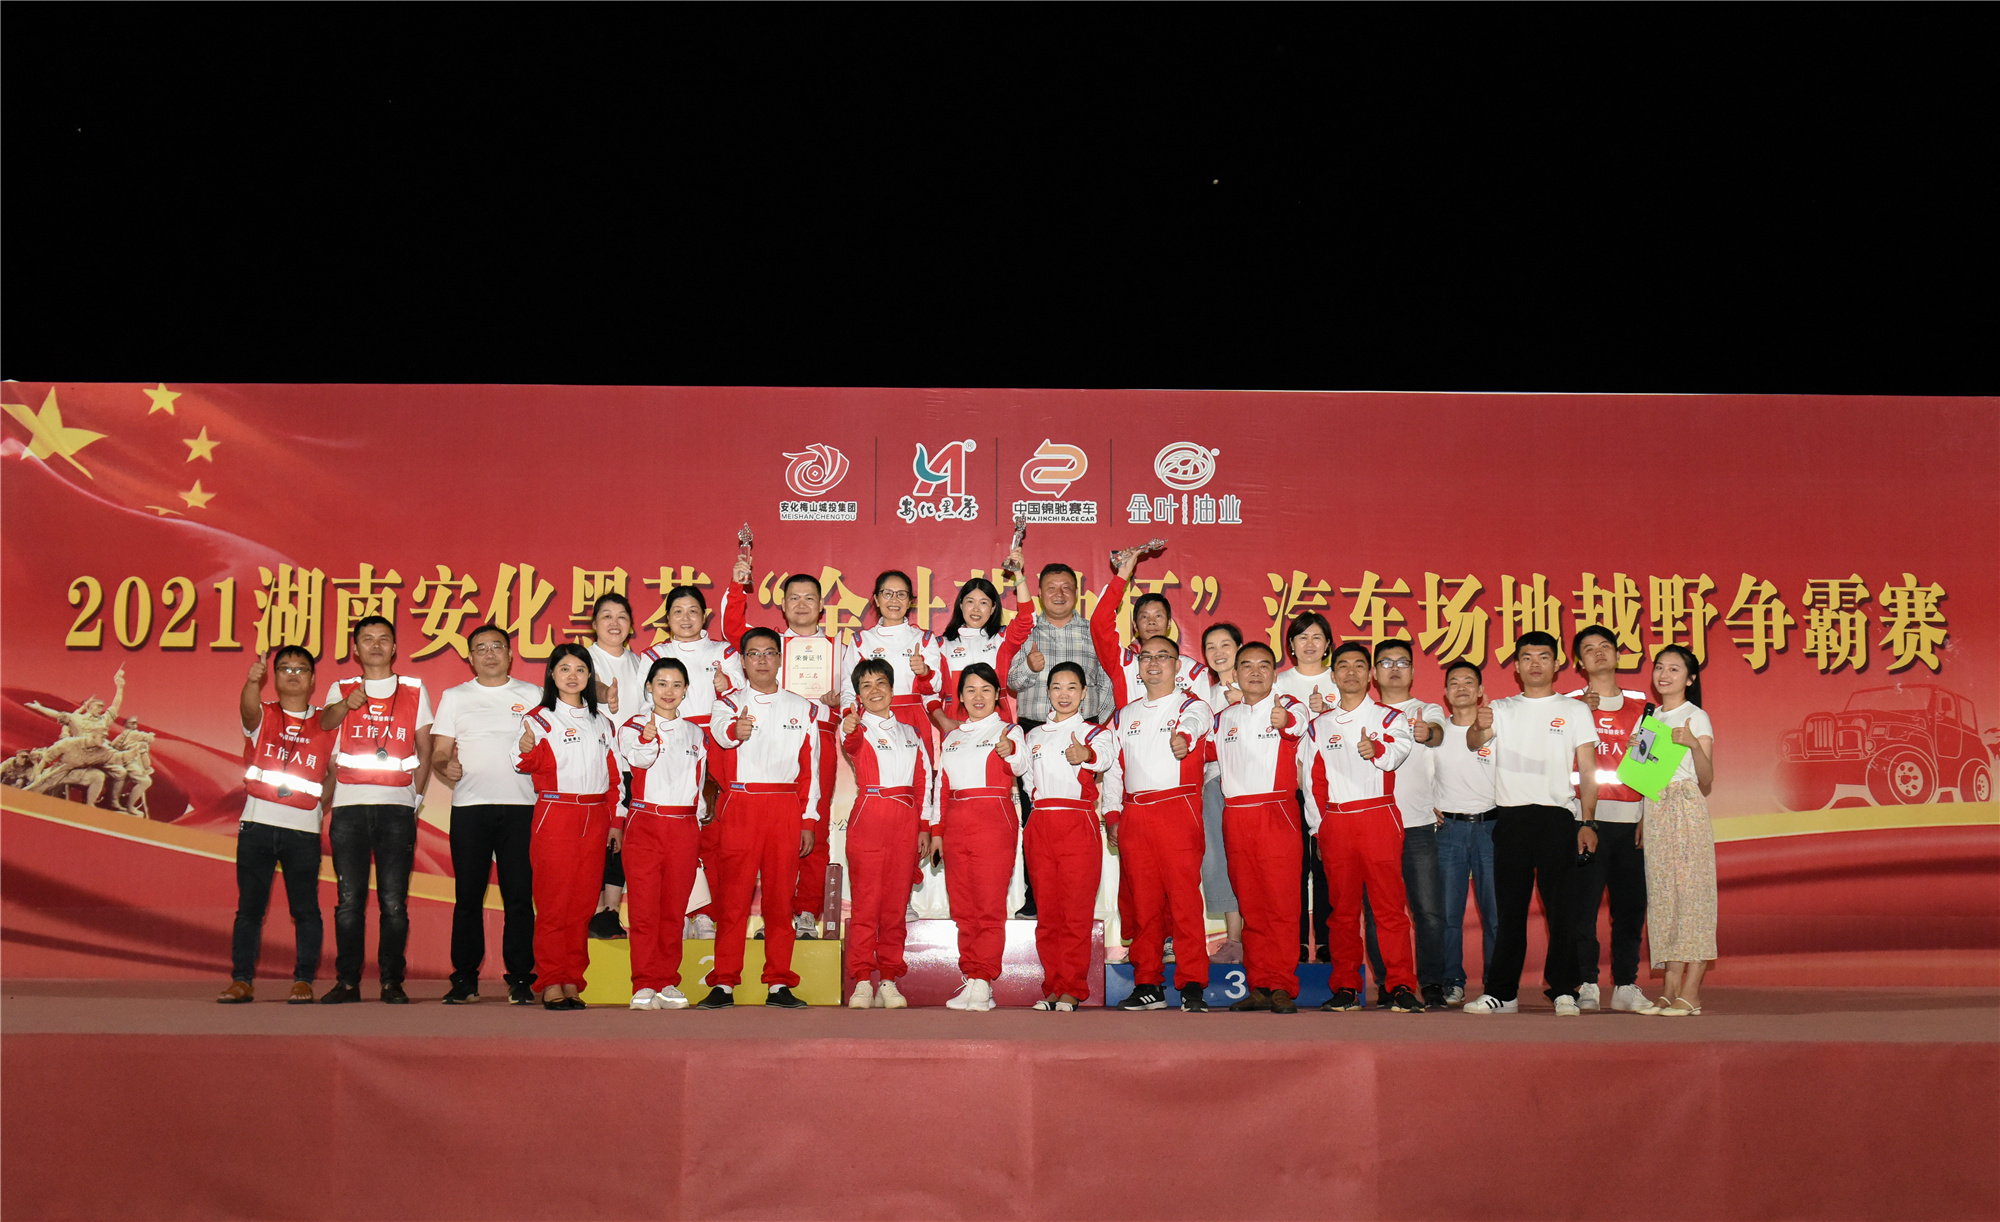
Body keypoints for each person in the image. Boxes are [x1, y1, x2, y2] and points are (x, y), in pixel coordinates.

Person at [1461, 631, 1599, 1016]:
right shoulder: (1501, 708)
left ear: (1556, 664)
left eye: (1543, 657)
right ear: (1517, 667)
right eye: (1526, 657)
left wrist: (1589, 822)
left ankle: (1564, 989)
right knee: (1509, 911)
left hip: (1558, 818)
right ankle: (1502, 993)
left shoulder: (1575, 710)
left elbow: (1588, 770)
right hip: (1511, 818)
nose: (1534, 664)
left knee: (1562, 910)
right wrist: (1478, 726)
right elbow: (1474, 742)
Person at [1090, 550, 1212, 959]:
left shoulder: (1193, 671)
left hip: (1179, 788)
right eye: (1144, 617)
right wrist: (1123, 575)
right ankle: (1147, 948)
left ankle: (1178, 945)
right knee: (1138, 883)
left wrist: (1186, 739)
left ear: (1171, 624)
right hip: (1133, 778)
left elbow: (1203, 724)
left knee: (1179, 880)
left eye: (1159, 616)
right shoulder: (1126, 662)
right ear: (1135, 627)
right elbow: (1099, 623)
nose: (1152, 622)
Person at [724, 566, 853, 941]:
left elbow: (852, 693)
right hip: (769, 738)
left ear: (822, 606)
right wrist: (737, 584)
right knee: (768, 834)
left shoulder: (839, 649)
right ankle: (774, 914)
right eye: (793, 597)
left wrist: (839, 704)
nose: (801, 604)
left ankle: (807, 910)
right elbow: (733, 630)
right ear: (781, 605)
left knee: (814, 823)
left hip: (819, 736)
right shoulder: (771, 646)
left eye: (809, 598)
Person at [700, 626, 821, 1009]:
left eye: (769, 652)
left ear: (780, 659)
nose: (762, 660)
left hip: (784, 808)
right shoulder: (729, 704)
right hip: (742, 806)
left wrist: (808, 821)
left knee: (780, 902)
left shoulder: (803, 708)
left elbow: (811, 771)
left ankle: (778, 982)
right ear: (743, 661)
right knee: (733, 900)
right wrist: (736, 730)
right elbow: (721, 734)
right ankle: (723, 983)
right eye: (754, 654)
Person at [1300, 642, 1424, 1013]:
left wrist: (1378, 750)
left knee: (1389, 909)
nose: (1351, 672)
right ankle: (1345, 987)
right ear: (1333, 675)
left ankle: (1400, 985)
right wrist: (1319, 829)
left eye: (1358, 665)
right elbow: (1312, 782)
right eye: (1343, 665)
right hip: (1336, 823)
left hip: (1378, 816)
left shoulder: (1389, 718)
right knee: (1341, 913)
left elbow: (1397, 753)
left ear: (1370, 674)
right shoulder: (1318, 726)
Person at [317, 615, 433, 1004]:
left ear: (395, 647)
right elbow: (325, 723)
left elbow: (425, 748)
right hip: (349, 808)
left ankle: (391, 982)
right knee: (349, 901)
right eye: (367, 639)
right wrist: (344, 705)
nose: (376, 645)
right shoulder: (342, 687)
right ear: (356, 649)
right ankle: (347, 982)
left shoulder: (414, 688)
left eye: (384, 638)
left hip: (397, 809)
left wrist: (416, 801)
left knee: (393, 902)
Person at [429, 624, 541, 1005]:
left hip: (522, 808)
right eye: (481, 648)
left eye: (497, 646)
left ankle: (521, 978)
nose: (490, 654)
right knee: (468, 896)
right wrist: (445, 766)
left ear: (510, 654)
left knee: (519, 897)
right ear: (470, 657)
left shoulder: (532, 695)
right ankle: (464, 978)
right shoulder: (455, 697)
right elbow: (439, 752)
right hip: (470, 808)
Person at [220, 647, 335, 1004]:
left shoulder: (327, 721)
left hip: (303, 830)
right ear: (274, 676)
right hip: (257, 825)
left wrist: (317, 807)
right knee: (249, 911)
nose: (293, 674)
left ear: (313, 679)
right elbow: (247, 711)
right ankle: (241, 981)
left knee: (306, 911)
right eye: (285, 668)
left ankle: (303, 981)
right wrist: (251, 682)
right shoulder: (265, 713)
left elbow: (334, 772)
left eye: (301, 669)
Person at [1108, 636, 1215, 1012]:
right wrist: (1112, 815)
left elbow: (1197, 722)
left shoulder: (1192, 705)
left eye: (1163, 657)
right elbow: (1114, 770)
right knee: (1143, 905)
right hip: (1135, 815)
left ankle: (1192, 983)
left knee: (1185, 901)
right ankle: (1148, 983)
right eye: (1147, 657)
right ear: (1139, 666)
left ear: (1177, 665)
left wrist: (1184, 737)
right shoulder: (1124, 715)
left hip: (1177, 810)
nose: (1153, 663)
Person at [634, 583, 745, 940]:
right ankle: (677, 910)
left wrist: (726, 686)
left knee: (712, 831)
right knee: (676, 832)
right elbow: (643, 706)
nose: (685, 618)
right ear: (666, 618)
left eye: (693, 611)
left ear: (705, 616)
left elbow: (741, 700)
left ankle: (706, 912)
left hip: (715, 744)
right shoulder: (653, 655)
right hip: (670, 745)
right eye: (677, 612)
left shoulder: (724, 651)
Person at [1005, 560, 1113, 919]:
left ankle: (1077, 898)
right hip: (1035, 729)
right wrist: (1030, 667)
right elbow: (1011, 681)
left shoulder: (1092, 631)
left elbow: (1107, 682)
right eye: (1051, 587)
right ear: (1039, 593)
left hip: (1081, 734)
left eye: (1067, 587)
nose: (1059, 593)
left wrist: (1094, 726)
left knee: (1080, 812)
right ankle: (1036, 896)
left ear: (1077, 593)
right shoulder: (1027, 630)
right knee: (1033, 816)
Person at [515, 644, 619, 1010]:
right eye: (564, 669)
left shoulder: (603, 723)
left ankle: (573, 977)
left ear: (590, 676)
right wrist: (526, 748)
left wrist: (615, 822)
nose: (572, 676)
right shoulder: (540, 719)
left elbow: (614, 778)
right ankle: (550, 979)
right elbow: (523, 761)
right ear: (552, 675)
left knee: (582, 905)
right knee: (554, 903)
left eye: (580, 669)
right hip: (556, 814)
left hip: (596, 817)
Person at [1206, 642, 1307, 1013]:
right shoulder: (1223, 719)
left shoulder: (1288, 706)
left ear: (1274, 673)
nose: (1255, 672)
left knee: (1281, 904)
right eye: (1246, 665)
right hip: (1236, 816)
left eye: (1264, 665)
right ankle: (1261, 983)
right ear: (1235, 673)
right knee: (1251, 904)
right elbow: (1201, 752)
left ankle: (1282, 984)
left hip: (1276, 812)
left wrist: (1286, 721)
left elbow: (1298, 723)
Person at [1021, 662, 1119, 1010]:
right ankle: (1052, 984)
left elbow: (1105, 759)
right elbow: (1027, 781)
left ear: (1084, 693)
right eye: (1057, 687)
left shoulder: (1094, 733)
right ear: (1048, 692)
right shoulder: (1033, 736)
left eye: (1072, 687)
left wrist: (1086, 755)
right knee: (1048, 914)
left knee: (1075, 912)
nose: (1064, 694)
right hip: (1040, 823)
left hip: (1077, 822)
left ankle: (1072, 987)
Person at [840, 657, 936, 1009]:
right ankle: (862, 980)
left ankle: (889, 980)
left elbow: (924, 782)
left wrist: (924, 826)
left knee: (895, 908)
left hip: (906, 823)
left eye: (881, 683)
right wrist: (849, 727)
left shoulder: (911, 733)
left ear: (893, 689)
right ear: (859, 695)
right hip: (869, 817)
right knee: (866, 906)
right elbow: (850, 743)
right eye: (866, 686)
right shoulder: (856, 728)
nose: (875, 690)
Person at [1565, 625, 1652, 1013]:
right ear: (1579, 663)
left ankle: (1626, 985)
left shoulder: (1643, 707)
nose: (1598, 653)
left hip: (1630, 822)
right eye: (1589, 649)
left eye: (1605, 647)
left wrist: (1647, 815)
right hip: (1583, 822)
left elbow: (1651, 767)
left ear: (1618, 656)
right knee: (1581, 908)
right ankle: (1586, 982)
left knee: (1630, 909)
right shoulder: (1569, 706)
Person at [934, 664, 1029, 1010]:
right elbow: (940, 789)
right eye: (970, 690)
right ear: (960, 697)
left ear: (997, 695)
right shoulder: (952, 738)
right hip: (956, 825)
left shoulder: (1010, 731)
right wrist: (937, 832)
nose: (978, 696)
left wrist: (1010, 751)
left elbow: (1021, 766)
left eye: (986, 689)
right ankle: (972, 977)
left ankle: (984, 979)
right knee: (963, 907)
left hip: (993, 822)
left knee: (988, 906)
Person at [618, 657, 709, 1010]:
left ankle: (668, 980)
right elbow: (639, 759)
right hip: (646, 823)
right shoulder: (633, 726)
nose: (668, 691)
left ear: (685, 690)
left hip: (683, 826)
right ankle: (643, 982)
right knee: (644, 910)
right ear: (649, 688)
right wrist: (648, 738)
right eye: (661, 684)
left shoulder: (696, 734)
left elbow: (699, 786)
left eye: (676, 685)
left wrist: (695, 826)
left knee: (674, 909)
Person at [1368, 639, 1450, 1009]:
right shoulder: (1365, 713)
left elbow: (1437, 732)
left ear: (1414, 671)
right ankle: (1389, 984)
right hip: (1374, 826)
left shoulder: (1426, 709)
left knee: (1429, 913)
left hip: (1417, 824)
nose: (1395, 669)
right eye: (1386, 662)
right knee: (1377, 914)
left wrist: (1426, 732)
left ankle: (1432, 983)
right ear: (1374, 673)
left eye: (1402, 662)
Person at [1637, 645, 1717, 1017]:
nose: (1664, 674)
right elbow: (1643, 777)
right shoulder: (1649, 718)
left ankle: (1692, 992)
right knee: (1663, 898)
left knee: (1693, 898)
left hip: (1685, 807)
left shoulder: (1696, 717)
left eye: (1674, 668)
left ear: (1690, 678)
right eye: (1659, 667)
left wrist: (1692, 745)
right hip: (1655, 810)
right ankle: (1669, 990)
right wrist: (1641, 816)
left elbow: (1707, 778)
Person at [1271, 612, 1338, 964]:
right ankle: (1294, 941)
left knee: (1327, 866)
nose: (1309, 643)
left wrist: (1327, 711)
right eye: (1302, 637)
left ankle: (1327, 941)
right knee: (1293, 867)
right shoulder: (1278, 683)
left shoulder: (1340, 678)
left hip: (1333, 789)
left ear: (1327, 644)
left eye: (1317, 637)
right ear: (1291, 646)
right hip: (1290, 788)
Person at [1432, 660, 1499, 1006]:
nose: (1461, 688)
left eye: (1469, 682)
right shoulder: (1436, 734)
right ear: (1445, 693)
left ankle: (1495, 984)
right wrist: (1426, 805)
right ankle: (1452, 981)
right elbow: (1418, 777)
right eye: (1454, 682)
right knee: (1448, 915)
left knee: (1496, 914)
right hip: (1449, 831)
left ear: (1481, 691)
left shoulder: (1497, 730)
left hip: (1492, 828)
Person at [586, 592, 647, 941]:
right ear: (594, 624)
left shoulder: (640, 664)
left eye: (621, 616)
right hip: (596, 763)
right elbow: (587, 685)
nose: (614, 622)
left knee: (622, 838)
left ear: (631, 625)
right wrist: (604, 693)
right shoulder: (585, 658)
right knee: (597, 836)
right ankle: (593, 910)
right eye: (606, 616)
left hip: (633, 764)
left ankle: (610, 911)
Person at [1198, 624, 1247, 963]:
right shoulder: (1202, 698)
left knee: (1253, 862)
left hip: (1253, 788)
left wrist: (1243, 704)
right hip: (1214, 782)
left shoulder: (1263, 688)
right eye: (1211, 647)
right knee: (1219, 859)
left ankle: (1261, 937)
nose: (1219, 652)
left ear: (1240, 647)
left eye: (1225, 644)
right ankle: (1233, 940)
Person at [932, 575, 1008, 731]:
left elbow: (1026, 621)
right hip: (956, 722)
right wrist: (944, 721)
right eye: (970, 601)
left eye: (983, 603)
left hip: (997, 720)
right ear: (961, 604)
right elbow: (929, 693)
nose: (976, 609)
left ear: (993, 608)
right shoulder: (941, 644)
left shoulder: (1002, 638)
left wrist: (1018, 576)